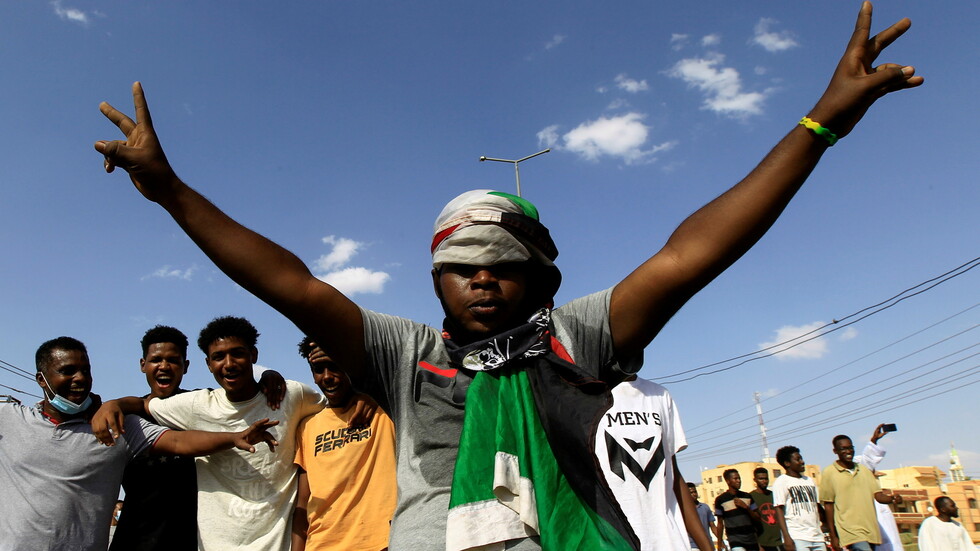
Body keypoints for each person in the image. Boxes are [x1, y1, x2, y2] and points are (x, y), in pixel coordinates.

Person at [93, 3, 922, 548]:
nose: (483, 280)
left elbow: (689, 253)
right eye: (461, 267)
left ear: (541, 277)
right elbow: (294, 284)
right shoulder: (404, 355)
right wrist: (170, 192)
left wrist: (820, 123)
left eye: (504, 264)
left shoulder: (581, 337)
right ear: (435, 282)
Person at [0, 336, 277, 551]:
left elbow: (179, 440)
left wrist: (238, 431)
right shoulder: (13, 419)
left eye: (86, 370)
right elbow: (145, 405)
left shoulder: (130, 424)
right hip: (133, 544)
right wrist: (115, 404)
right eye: (68, 371)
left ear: (187, 366)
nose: (80, 379)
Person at [92, 317, 325, 551]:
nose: (229, 363)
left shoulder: (289, 395)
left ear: (253, 355)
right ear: (208, 364)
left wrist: (360, 401)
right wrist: (113, 404)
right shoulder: (191, 407)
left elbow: (334, 411)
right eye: (219, 357)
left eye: (238, 353)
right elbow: (145, 405)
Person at [292, 337, 397, 551]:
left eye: (335, 366)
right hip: (321, 544)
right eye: (318, 369)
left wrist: (374, 394)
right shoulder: (307, 427)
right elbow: (303, 501)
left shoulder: (385, 411)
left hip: (380, 543)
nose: (327, 377)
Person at [593, 376, 711, 550]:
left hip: (668, 542)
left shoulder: (659, 395)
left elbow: (674, 476)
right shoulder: (587, 394)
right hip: (614, 541)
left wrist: (707, 547)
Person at [819, 435, 898, 551]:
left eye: (851, 448)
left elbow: (878, 496)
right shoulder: (829, 472)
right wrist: (833, 535)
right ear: (835, 451)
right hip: (850, 531)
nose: (848, 451)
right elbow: (828, 505)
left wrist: (892, 498)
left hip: (870, 530)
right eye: (843, 449)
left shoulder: (864, 470)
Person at [852, 424, 902, 551]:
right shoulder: (858, 489)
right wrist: (873, 440)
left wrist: (892, 499)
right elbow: (867, 461)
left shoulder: (875, 490)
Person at [772, 446, 825, 551]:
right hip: (797, 536)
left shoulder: (809, 481)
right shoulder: (782, 481)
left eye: (801, 458)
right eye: (798, 459)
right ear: (787, 463)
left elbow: (817, 506)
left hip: (817, 536)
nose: (802, 462)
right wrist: (786, 537)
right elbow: (778, 510)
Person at [715, 469, 759, 551]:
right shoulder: (721, 500)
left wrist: (746, 507)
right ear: (728, 481)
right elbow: (720, 523)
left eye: (739, 478)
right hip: (735, 540)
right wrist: (719, 542)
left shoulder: (747, 496)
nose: (738, 481)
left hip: (751, 539)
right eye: (735, 479)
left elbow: (757, 518)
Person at [750, 467, 784, 550]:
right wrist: (758, 544)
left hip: (780, 541)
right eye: (761, 479)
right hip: (763, 542)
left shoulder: (774, 495)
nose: (764, 481)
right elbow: (751, 523)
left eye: (766, 478)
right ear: (755, 480)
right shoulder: (751, 497)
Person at [688, 483, 718, 551]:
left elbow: (712, 526)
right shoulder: (684, 510)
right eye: (691, 492)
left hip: (708, 544)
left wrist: (720, 540)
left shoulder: (705, 507)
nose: (694, 494)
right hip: (693, 546)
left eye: (695, 491)